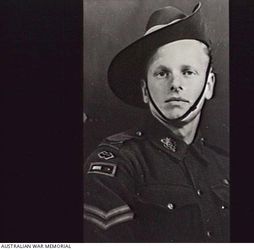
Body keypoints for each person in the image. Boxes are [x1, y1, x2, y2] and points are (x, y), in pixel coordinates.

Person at [83, 2, 229, 242]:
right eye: (162, 73)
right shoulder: (119, 164)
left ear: (209, 85)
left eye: (188, 71)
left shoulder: (223, 166)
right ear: (144, 90)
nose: (175, 84)